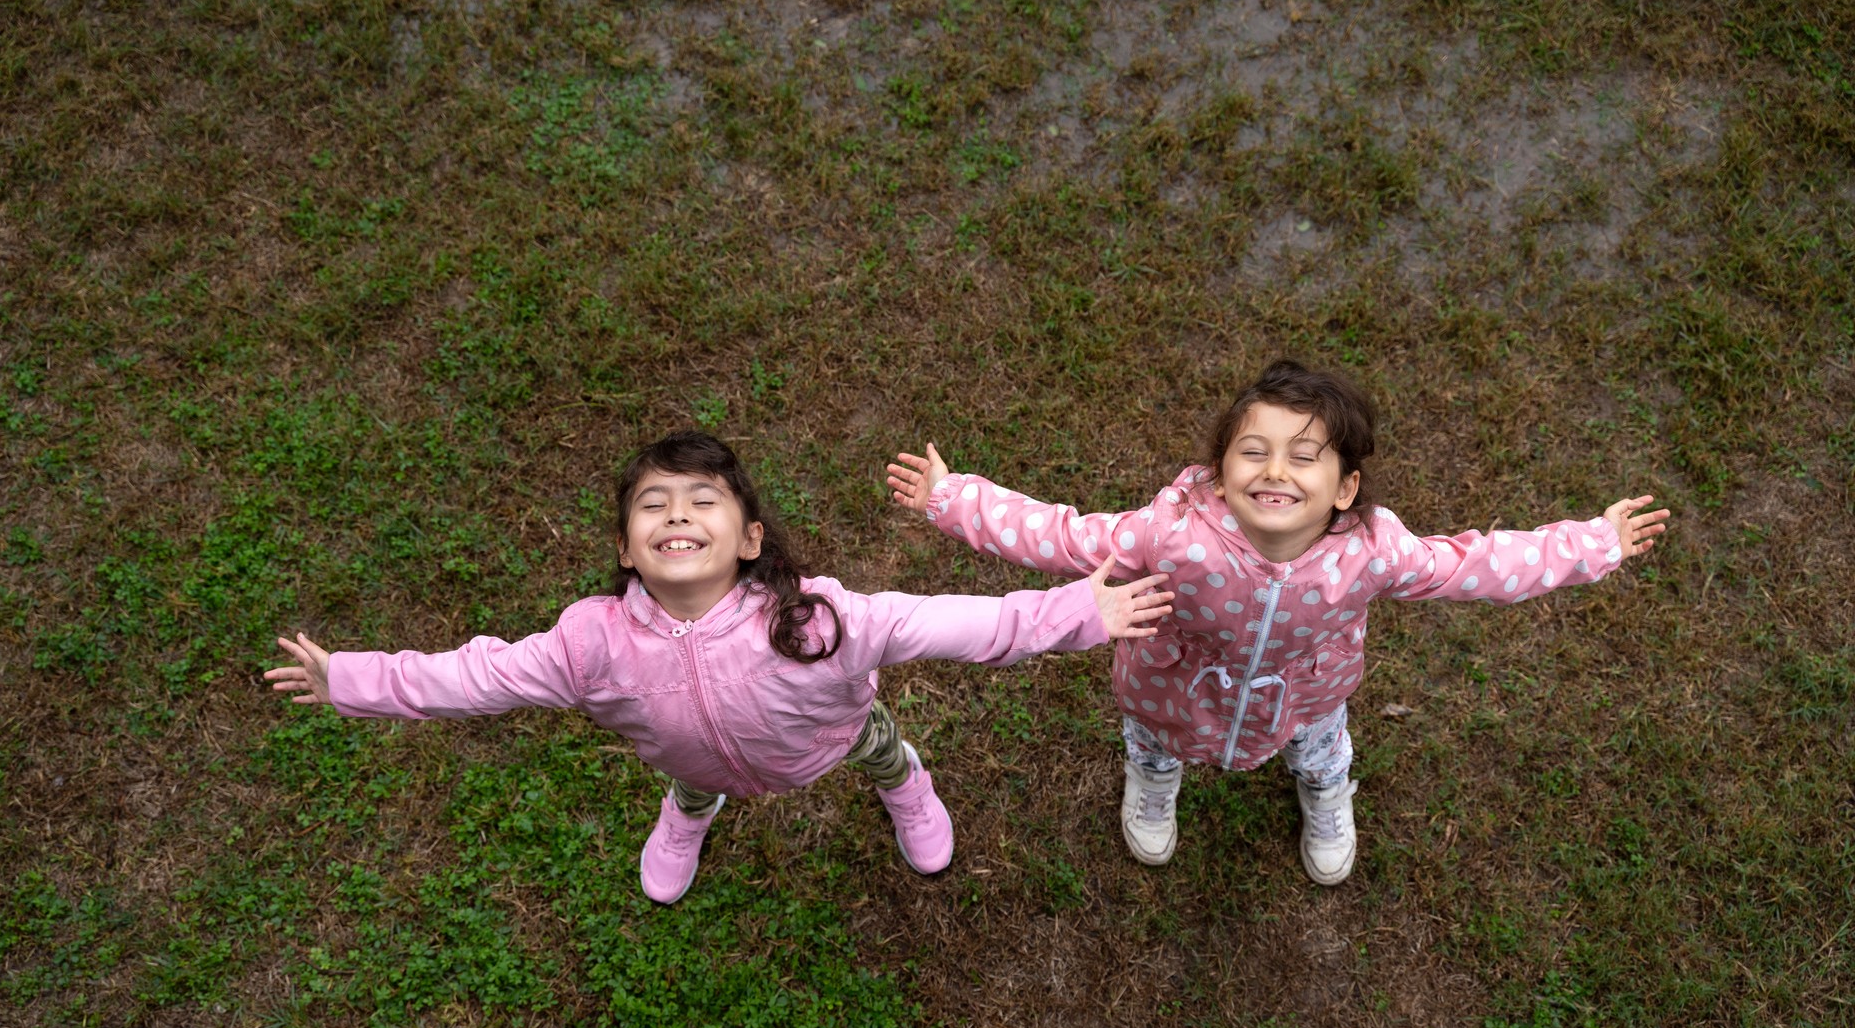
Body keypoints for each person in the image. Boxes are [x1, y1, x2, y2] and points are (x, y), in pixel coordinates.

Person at [265, 430, 1174, 903]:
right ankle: (686, 818)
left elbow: (944, 623)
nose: (676, 514)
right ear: (626, 547)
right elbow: (473, 677)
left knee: (883, 750)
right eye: (652, 504)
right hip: (691, 761)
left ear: (748, 538)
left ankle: (908, 792)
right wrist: (348, 678)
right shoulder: (589, 645)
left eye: (703, 500)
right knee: (694, 786)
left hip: (835, 736)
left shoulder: (814, 621)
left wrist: (1070, 612)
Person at [886, 360, 1669, 884]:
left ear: (1344, 487)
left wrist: (1595, 542)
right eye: (1253, 451)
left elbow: (1479, 564)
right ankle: (1154, 780)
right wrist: (953, 499)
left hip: (1308, 692)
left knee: (1320, 747)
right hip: (1171, 683)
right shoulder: (1169, 534)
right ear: (1221, 478)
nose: (1274, 469)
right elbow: (1063, 534)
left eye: (1304, 456)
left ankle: (1326, 789)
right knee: (1155, 737)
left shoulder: (1372, 552)